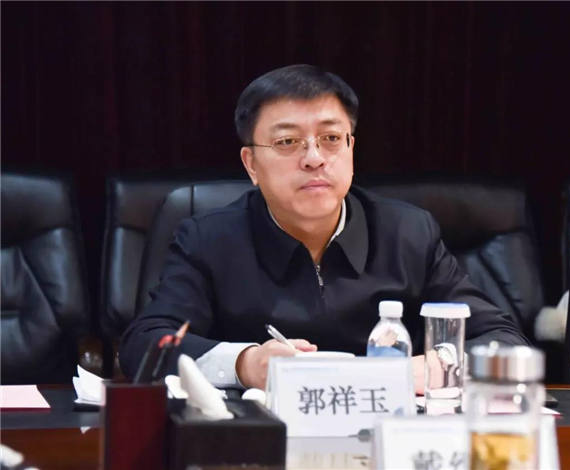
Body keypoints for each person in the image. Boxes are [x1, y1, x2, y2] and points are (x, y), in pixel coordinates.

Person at [119, 64, 528, 391]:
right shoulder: (209, 240)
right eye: (287, 142)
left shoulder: (407, 233)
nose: (314, 158)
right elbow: (145, 346)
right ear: (251, 164)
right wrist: (246, 364)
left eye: (331, 138)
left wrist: (429, 370)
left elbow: (502, 339)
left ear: (351, 147)